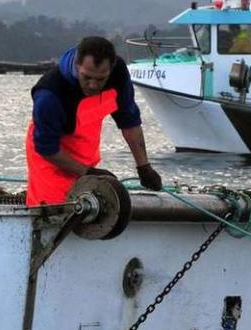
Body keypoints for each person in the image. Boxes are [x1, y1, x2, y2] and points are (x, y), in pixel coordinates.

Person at [25, 36, 162, 206]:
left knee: (94, 206)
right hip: (51, 157)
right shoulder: (49, 96)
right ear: (77, 65)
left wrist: (144, 167)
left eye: (100, 79)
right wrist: (88, 172)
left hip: (85, 152)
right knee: (53, 209)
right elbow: (46, 148)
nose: (93, 86)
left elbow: (129, 121)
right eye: (87, 77)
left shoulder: (118, 73)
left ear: (111, 69)